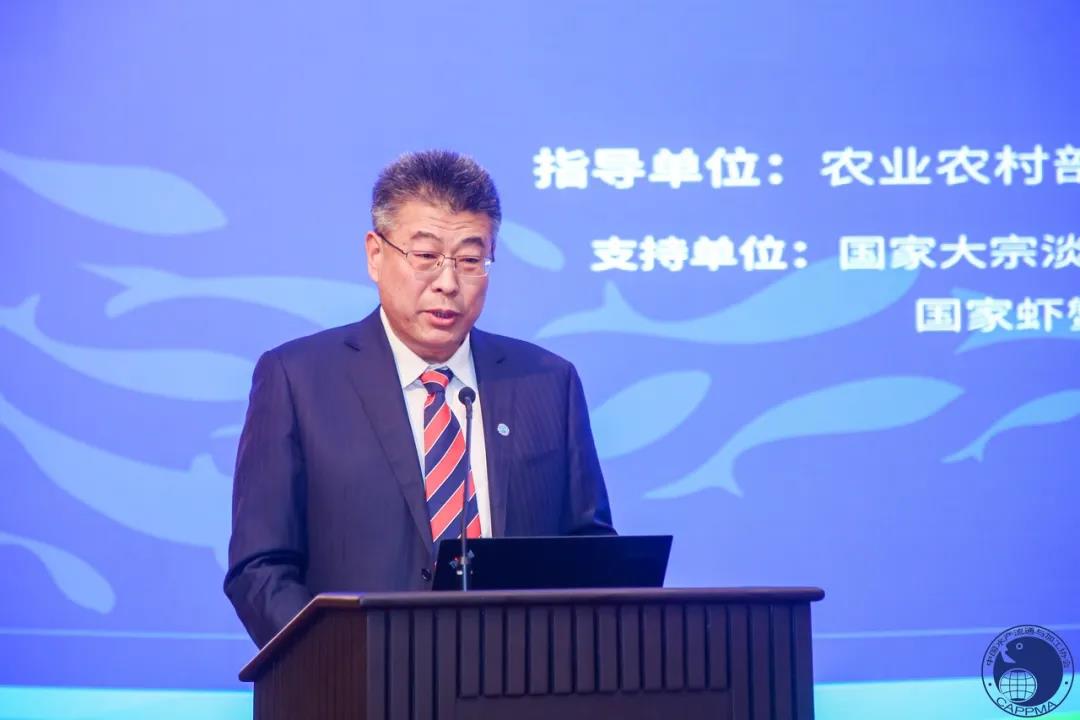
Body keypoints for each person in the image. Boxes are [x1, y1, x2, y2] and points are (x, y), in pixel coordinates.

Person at [224, 150, 615, 648]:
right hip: (355, 679)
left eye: (470, 260)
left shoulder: (547, 382)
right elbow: (260, 569)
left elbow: (589, 551)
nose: (448, 283)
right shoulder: (297, 379)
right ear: (375, 254)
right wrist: (335, 663)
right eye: (426, 257)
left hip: (518, 676)